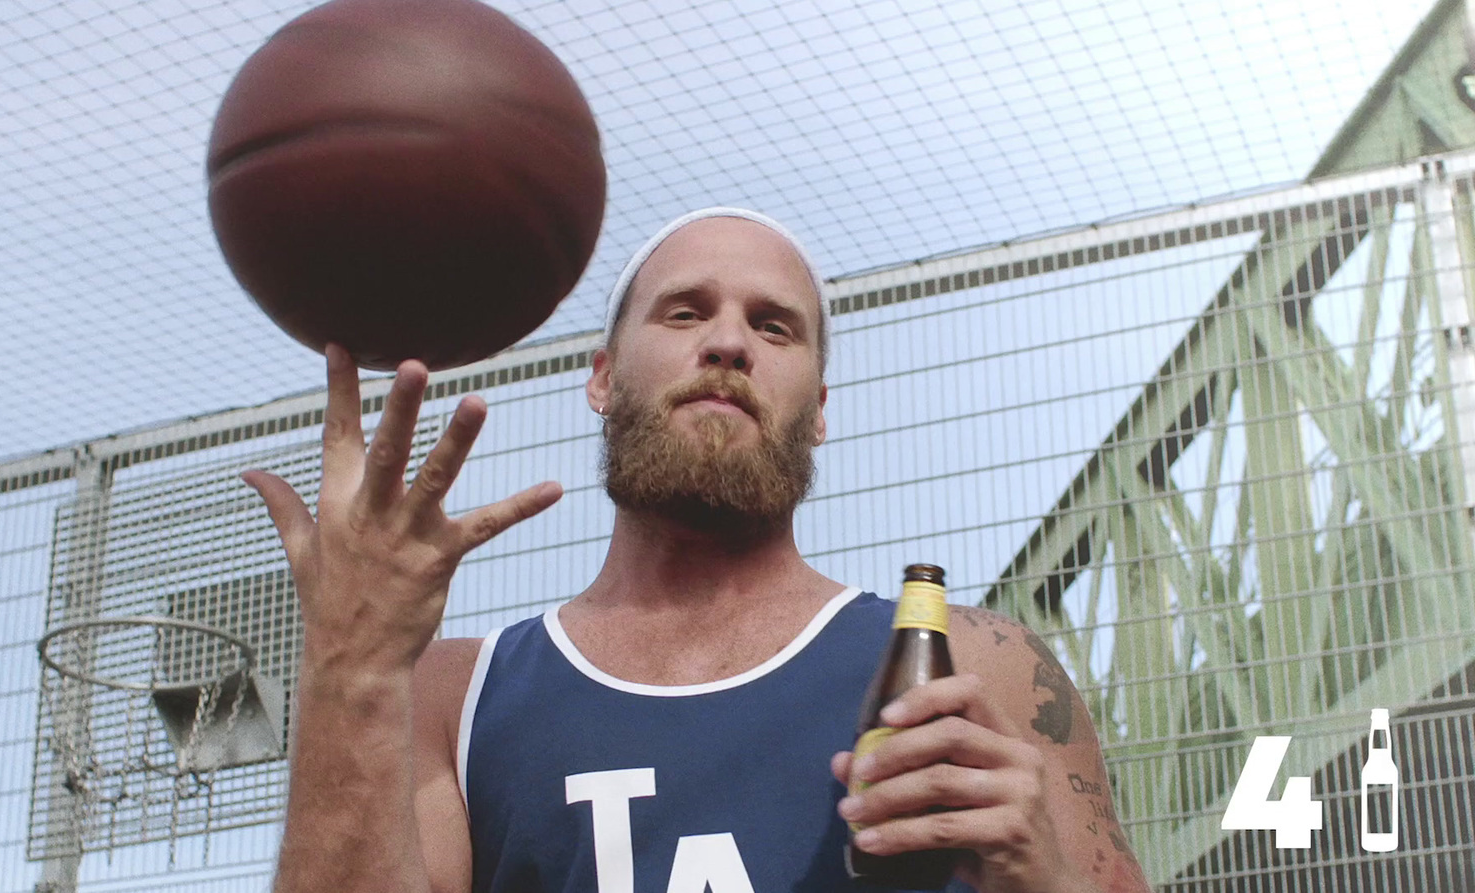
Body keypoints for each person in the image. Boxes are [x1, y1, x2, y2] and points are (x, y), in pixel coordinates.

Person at [243, 208, 1153, 893]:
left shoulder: (980, 667)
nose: (728, 342)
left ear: (822, 407)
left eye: (773, 325)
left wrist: (1050, 877)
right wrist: (353, 665)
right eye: (684, 313)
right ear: (602, 378)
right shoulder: (456, 698)